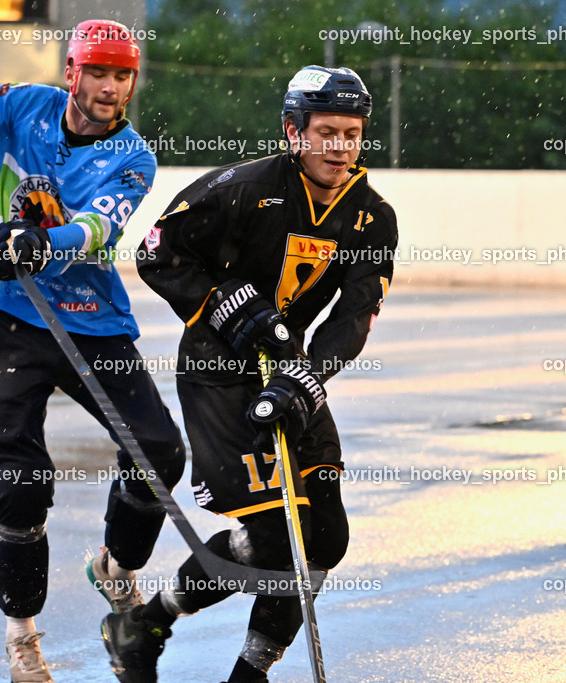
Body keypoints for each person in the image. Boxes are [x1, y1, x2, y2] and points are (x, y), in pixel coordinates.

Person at [0, 19, 186, 683]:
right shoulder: (21, 105)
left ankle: (116, 569)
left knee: (160, 453)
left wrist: (36, 245)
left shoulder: (133, 157)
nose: (110, 87)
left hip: (94, 321)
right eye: (98, 73)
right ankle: (22, 637)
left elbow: (97, 229)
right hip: (14, 320)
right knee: (20, 482)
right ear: (71, 72)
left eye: (122, 76)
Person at [102, 65, 398, 682]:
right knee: (274, 541)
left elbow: (353, 318)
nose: (340, 148)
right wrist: (226, 302)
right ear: (294, 132)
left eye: (352, 133)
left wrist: (302, 379)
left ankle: (246, 674)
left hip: (290, 379)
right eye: (326, 132)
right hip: (219, 373)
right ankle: (145, 623)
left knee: (327, 539)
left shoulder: (373, 216)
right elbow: (157, 253)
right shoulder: (243, 187)